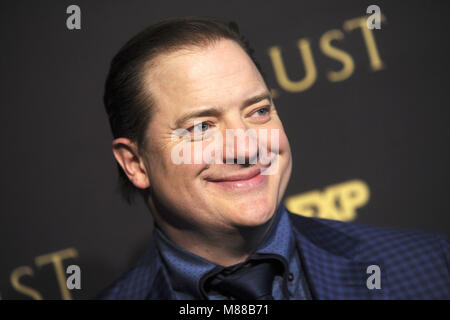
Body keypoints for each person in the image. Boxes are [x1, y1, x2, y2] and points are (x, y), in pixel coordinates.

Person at [98, 16, 449, 300]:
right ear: (135, 163)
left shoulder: (432, 267)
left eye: (259, 111)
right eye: (202, 126)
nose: (247, 147)